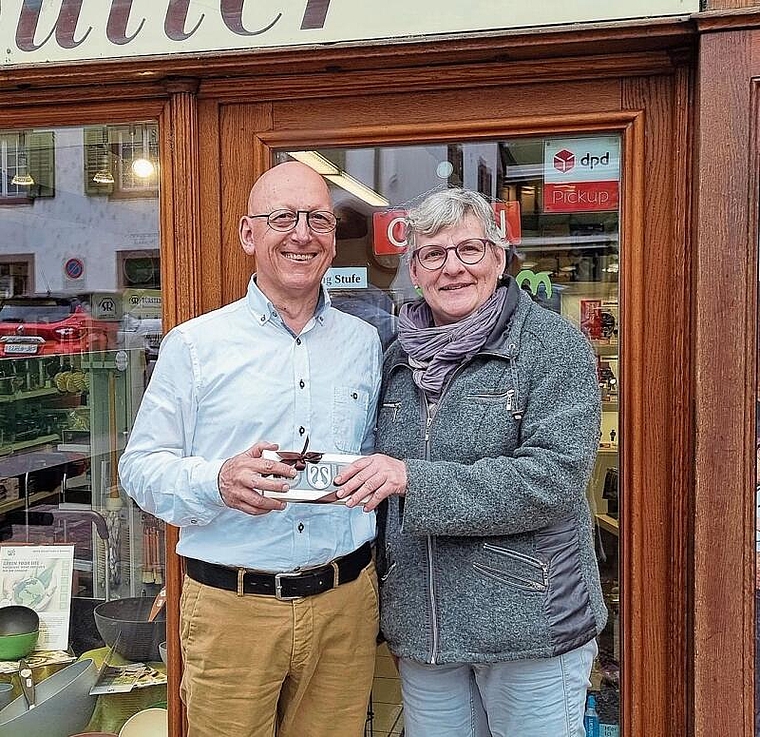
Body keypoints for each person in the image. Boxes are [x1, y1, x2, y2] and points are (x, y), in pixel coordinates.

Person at [119, 161, 383, 737]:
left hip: (346, 604)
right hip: (232, 608)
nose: (301, 233)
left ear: (333, 241)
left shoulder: (366, 343)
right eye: (282, 217)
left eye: (317, 219)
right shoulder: (195, 345)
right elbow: (138, 468)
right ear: (248, 235)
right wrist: (216, 481)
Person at [334, 188, 607, 737]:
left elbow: (552, 479)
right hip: (425, 627)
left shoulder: (552, 346)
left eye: (469, 250)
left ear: (500, 258)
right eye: (433, 254)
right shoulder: (398, 357)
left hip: (529, 627)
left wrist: (412, 479)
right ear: (414, 268)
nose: (451, 268)